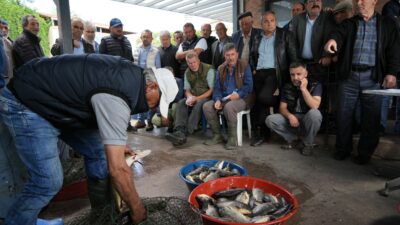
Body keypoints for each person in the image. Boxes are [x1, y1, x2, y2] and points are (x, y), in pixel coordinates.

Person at [0, 54, 174, 225]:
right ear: (151, 86)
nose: (155, 108)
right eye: (158, 102)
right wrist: (138, 210)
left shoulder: (131, 78)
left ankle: (102, 215)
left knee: (100, 153)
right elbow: (118, 170)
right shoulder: (118, 95)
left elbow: (101, 107)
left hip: (59, 105)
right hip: (27, 102)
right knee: (47, 182)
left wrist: (117, 144)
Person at [324, 0, 400, 164]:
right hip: (349, 77)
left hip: (372, 77)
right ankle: (343, 149)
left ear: (374, 1)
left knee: (370, 119)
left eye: (363, 0)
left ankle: (364, 154)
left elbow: (394, 50)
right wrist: (333, 41)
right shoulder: (349, 23)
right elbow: (338, 34)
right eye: (357, 0)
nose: (359, 3)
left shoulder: (387, 24)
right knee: (344, 115)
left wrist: (392, 73)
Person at [249, 11, 298, 147]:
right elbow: (252, 54)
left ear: (276, 21)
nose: (269, 24)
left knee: (263, 98)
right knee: (260, 105)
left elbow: (293, 57)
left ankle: (281, 130)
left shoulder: (285, 35)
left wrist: (292, 75)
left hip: (276, 73)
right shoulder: (257, 37)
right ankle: (265, 136)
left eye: (272, 20)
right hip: (259, 74)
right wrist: (253, 68)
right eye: (266, 21)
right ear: (261, 23)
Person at [203, 43, 253, 150]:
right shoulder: (221, 68)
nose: (230, 58)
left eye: (232, 54)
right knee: (207, 106)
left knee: (229, 107)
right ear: (224, 56)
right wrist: (217, 99)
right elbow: (217, 88)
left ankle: (232, 138)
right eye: (227, 55)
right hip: (224, 98)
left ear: (237, 54)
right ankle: (217, 135)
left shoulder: (244, 65)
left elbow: (249, 86)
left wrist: (239, 94)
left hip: (243, 98)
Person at [266, 62, 322, 156]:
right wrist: (290, 116)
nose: (295, 78)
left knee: (315, 114)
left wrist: (304, 89)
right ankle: (294, 139)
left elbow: (315, 106)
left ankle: (308, 144)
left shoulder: (315, 85)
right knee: (270, 119)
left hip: (307, 120)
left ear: (306, 74)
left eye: (298, 74)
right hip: (293, 120)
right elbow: (282, 108)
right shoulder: (287, 86)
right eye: (292, 74)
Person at [166, 51, 215, 146]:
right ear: (187, 63)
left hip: (207, 96)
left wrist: (197, 98)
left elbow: (211, 90)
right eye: (190, 63)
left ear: (198, 61)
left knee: (199, 105)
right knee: (181, 103)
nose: (192, 65)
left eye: (194, 62)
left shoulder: (209, 69)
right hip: (194, 96)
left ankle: (186, 132)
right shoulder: (187, 72)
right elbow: (187, 89)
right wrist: (189, 97)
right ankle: (179, 130)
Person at [290, 0, 335, 82]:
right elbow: (293, 42)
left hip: (320, 63)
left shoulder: (327, 16)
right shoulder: (298, 19)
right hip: (301, 64)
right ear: (306, 5)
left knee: (319, 91)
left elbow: (330, 36)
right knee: (301, 90)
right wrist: (296, 61)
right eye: (311, 1)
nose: (315, 3)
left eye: (318, 0)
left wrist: (327, 55)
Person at [132, 29, 161, 132]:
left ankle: (149, 122)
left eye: (147, 37)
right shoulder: (137, 49)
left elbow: (158, 67)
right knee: (140, 98)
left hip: (151, 78)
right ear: (141, 38)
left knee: (150, 99)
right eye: (143, 37)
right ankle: (140, 121)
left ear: (151, 38)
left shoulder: (155, 51)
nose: (145, 39)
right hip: (139, 77)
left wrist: (157, 82)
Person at [381, 0, 400, 134]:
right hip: (391, 57)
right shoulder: (390, 7)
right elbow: (392, 30)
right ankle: (379, 126)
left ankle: (398, 128)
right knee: (385, 94)